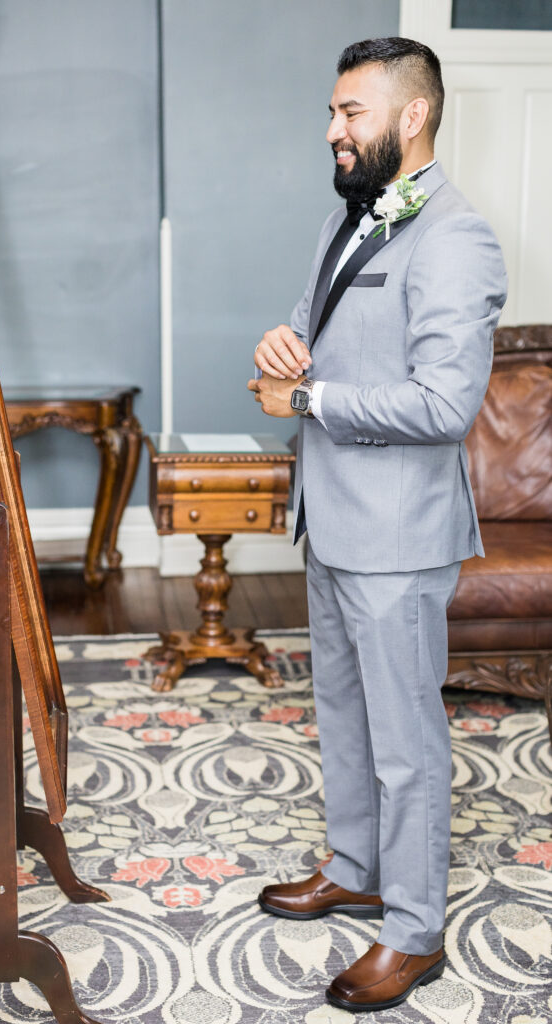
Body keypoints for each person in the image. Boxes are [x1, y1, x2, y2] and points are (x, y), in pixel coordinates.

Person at [248, 37, 507, 1013]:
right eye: (329, 111)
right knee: (343, 719)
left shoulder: (456, 238)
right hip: (333, 521)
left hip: (398, 537)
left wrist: (308, 398)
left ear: (412, 117)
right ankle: (353, 864)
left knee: (407, 744)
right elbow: (314, 341)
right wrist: (286, 347)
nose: (330, 130)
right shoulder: (342, 220)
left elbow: (443, 404)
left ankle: (412, 929)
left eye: (349, 112)